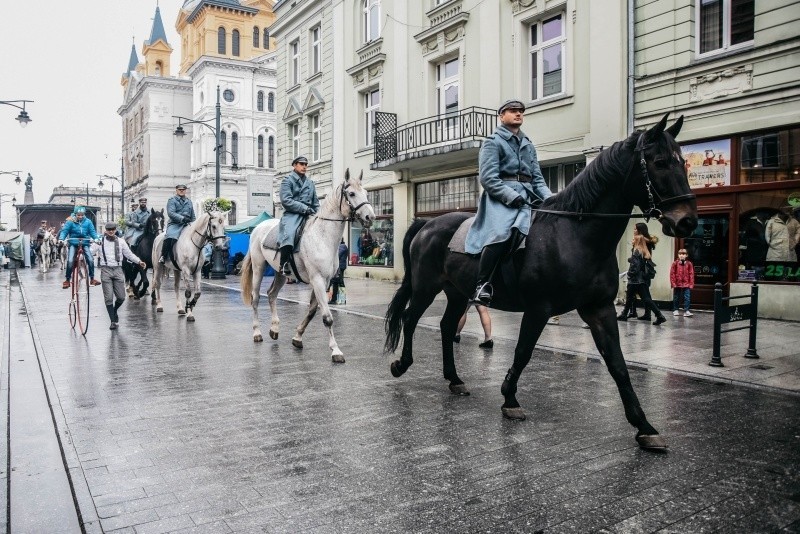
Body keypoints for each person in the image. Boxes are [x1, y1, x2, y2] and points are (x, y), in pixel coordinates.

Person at [464, 99, 552, 305]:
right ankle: (482, 285)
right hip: (502, 199)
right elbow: (488, 179)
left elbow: (538, 179)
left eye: (521, 111)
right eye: (513, 111)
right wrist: (511, 196)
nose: (519, 114)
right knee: (503, 232)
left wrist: (552, 201)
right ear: (501, 116)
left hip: (529, 196)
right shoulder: (492, 142)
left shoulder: (528, 144)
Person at [97, 222, 146, 330]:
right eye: (109, 229)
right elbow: (90, 250)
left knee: (121, 297)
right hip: (106, 270)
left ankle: (114, 310)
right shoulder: (100, 242)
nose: (111, 231)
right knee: (108, 297)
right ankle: (113, 321)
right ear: (106, 230)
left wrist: (139, 261)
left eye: (113, 229)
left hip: (118, 270)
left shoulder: (121, 241)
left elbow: (129, 254)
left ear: (115, 230)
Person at [276, 156, 319, 276]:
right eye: (301, 164)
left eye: (306, 164)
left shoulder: (310, 183)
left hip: (310, 214)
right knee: (289, 234)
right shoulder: (287, 180)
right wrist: (304, 208)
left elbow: (315, 202)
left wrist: (318, 214)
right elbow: (286, 200)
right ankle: (283, 263)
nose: (304, 166)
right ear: (294, 165)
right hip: (293, 215)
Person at [618, 235, 666, 326]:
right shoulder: (644, 251)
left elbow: (635, 267)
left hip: (635, 279)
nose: (632, 240)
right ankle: (659, 315)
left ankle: (659, 315)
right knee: (644, 298)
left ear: (637, 241)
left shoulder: (636, 251)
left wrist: (629, 274)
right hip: (641, 279)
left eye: (634, 239)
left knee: (631, 297)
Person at [58, 206, 101, 288]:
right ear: (75, 214)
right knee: (70, 260)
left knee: (91, 260)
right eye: (78, 215)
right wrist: (61, 239)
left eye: (82, 215)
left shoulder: (88, 222)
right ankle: (67, 280)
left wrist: (96, 238)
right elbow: (65, 231)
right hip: (73, 243)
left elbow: (92, 232)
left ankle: (92, 279)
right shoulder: (70, 221)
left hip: (85, 243)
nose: (80, 217)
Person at [626, 223, 659, 320]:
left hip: (641, 271)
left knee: (643, 294)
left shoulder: (643, 241)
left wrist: (633, 261)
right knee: (643, 294)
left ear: (640, 230)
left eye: (635, 229)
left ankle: (646, 314)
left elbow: (642, 256)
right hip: (642, 270)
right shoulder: (644, 241)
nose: (634, 231)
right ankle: (640, 313)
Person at [160, 184, 195, 265]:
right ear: (176, 190)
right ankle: (163, 256)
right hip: (175, 224)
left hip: (187, 224)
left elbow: (193, 215)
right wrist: (182, 218)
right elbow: (171, 213)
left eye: (183, 189)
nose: (182, 191)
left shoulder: (189, 201)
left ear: (185, 190)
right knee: (170, 236)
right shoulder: (172, 200)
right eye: (180, 189)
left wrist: (194, 223)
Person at [670, 248, 694, 317]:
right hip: (677, 284)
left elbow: (691, 274)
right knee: (676, 297)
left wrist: (691, 284)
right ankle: (675, 309)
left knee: (687, 297)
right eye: (680, 254)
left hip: (686, 284)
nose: (681, 255)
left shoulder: (689, 264)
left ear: (686, 255)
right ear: (678, 255)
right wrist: (673, 283)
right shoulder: (675, 263)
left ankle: (686, 311)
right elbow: (672, 274)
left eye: (683, 254)